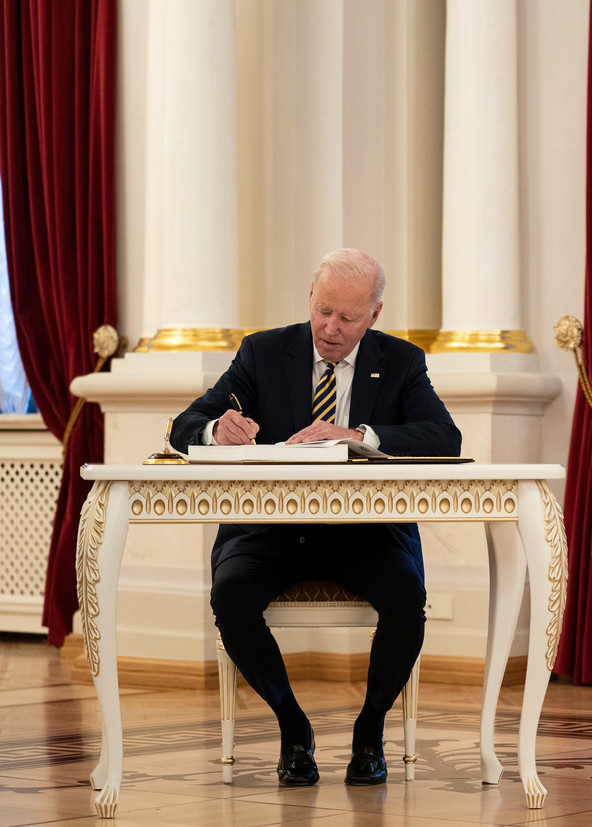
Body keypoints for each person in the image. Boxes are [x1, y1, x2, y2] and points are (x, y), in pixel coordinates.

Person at [171, 248, 461, 787]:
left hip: (364, 533)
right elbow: (185, 423)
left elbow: (445, 438)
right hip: (269, 531)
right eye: (322, 310)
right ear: (310, 296)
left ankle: (370, 731)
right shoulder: (262, 353)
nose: (329, 328)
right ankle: (292, 726)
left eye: (347, 318)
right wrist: (216, 430)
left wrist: (357, 436)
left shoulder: (400, 361)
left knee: (407, 599)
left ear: (373, 315)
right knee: (230, 596)